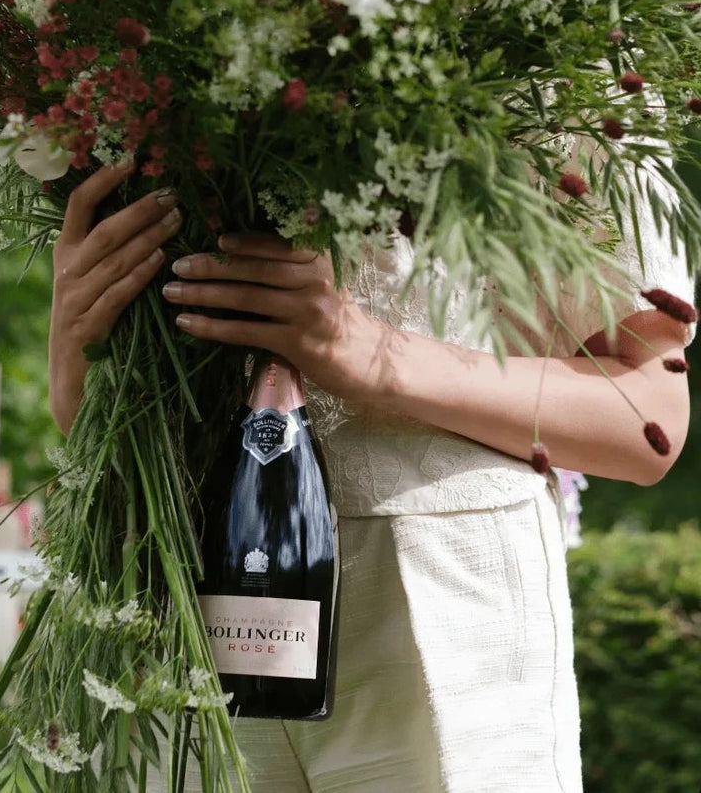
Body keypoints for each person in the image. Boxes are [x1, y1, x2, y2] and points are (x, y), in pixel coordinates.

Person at [49, 159, 694, 792]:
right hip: (171, 576)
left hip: (440, 597)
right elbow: (87, 410)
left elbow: (646, 415)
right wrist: (79, 359)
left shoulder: (576, 85)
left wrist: (373, 355)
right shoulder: (107, 68)